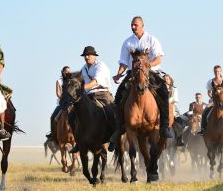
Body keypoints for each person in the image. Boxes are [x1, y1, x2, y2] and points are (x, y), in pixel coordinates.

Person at [108, 16, 174, 152]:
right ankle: (119, 128)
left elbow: (159, 58)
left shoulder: (151, 39)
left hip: (151, 72)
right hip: (133, 73)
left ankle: (164, 126)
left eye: (136, 25)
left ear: (142, 25)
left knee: (164, 93)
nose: (133, 27)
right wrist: (119, 74)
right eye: (132, 25)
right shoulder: (127, 42)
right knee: (118, 96)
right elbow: (123, 62)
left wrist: (148, 64)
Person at [69, 46, 116, 153]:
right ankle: (78, 141)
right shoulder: (83, 69)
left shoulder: (101, 66)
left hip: (102, 93)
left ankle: (114, 137)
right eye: (85, 55)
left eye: (88, 55)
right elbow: (78, 81)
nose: (86, 57)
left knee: (111, 111)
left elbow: (95, 81)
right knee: (72, 114)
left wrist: (82, 87)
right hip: (88, 95)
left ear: (94, 56)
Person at [198, 65, 223, 136]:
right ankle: (203, 129)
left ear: (221, 71)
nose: (217, 72)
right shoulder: (210, 81)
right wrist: (214, 98)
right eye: (215, 71)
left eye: (218, 71)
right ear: (213, 72)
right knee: (204, 112)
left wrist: (222, 96)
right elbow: (209, 93)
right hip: (213, 101)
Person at [48, 66, 71, 140]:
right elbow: (58, 93)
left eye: (69, 71)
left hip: (71, 103)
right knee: (53, 117)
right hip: (61, 104)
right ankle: (52, 134)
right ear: (63, 72)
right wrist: (64, 99)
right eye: (66, 71)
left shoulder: (72, 81)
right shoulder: (59, 81)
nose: (68, 73)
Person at [165, 74, 185, 147]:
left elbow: (175, 100)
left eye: (167, 79)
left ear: (170, 80)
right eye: (165, 79)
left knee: (180, 122)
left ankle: (179, 139)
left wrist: (170, 105)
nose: (166, 80)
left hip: (172, 106)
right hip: (162, 106)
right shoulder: (161, 88)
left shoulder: (174, 89)